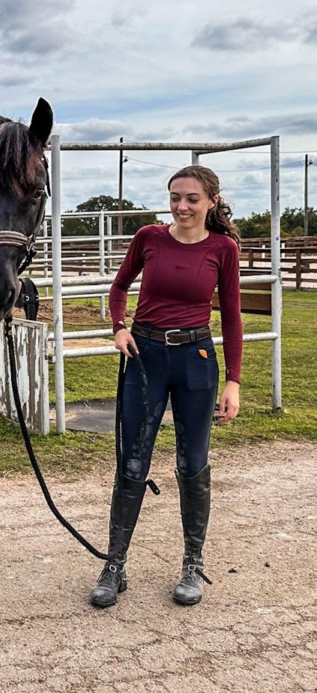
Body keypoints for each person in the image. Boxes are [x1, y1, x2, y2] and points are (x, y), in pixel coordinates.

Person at [90, 165, 242, 608]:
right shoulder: (149, 238)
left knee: (192, 462)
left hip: (196, 361)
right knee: (132, 460)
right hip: (146, 358)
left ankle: (192, 564)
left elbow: (232, 318)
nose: (181, 206)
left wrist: (233, 381)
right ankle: (115, 565)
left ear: (211, 201)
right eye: (175, 197)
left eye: (192, 198)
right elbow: (120, 287)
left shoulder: (223, 249)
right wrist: (119, 327)